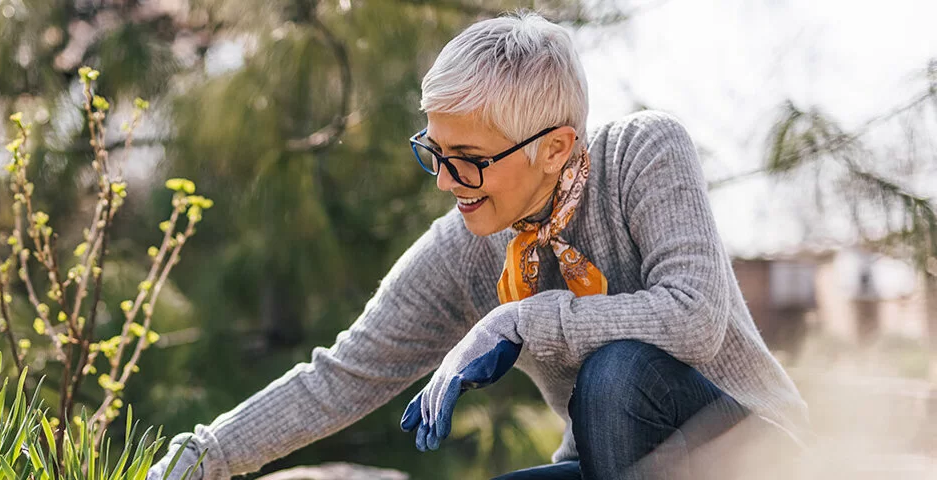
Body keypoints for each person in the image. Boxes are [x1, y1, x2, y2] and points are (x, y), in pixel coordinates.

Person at [148, 11, 808, 480]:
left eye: (467, 158)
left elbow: (693, 318)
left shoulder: (642, 152)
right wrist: (202, 457)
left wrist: (521, 320)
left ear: (555, 149)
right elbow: (341, 376)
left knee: (617, 371)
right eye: (434, 152)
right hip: (607, 465)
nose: (443, 181)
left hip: (759, 454)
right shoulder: (466, 247)